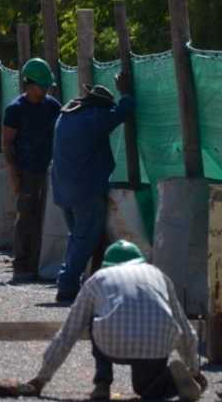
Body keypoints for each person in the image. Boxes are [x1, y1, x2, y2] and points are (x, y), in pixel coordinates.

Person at [23, 240, 205, 401]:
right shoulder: (158, 275)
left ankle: (103, 383)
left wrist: (42, 378)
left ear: (107, 265)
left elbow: (69, 332)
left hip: (111, 343)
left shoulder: (98, 278)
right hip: (157, 342)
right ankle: (173, 383)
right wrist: (194, 369)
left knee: (94, 318)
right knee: (145, 389)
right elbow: (184, 327)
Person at [51, 72, 135, 303]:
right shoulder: (96, 117)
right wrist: (125, 91)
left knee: (77, 238)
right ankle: (66, 285)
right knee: (84, 239)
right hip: (85, 190)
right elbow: (126, 109)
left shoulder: (66, 116)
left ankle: (77, 281)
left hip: (62, 189)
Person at [2, 58, 62, 282]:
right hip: (26, 171)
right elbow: (7, 143)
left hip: (50, 170)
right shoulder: (15, 109)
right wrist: (14, 176)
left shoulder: (52, 106)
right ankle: (22, 263)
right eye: (42, 86)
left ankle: (41, 263)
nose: (45, 90)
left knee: (47, 218)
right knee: (27, 217)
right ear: (29, 84)